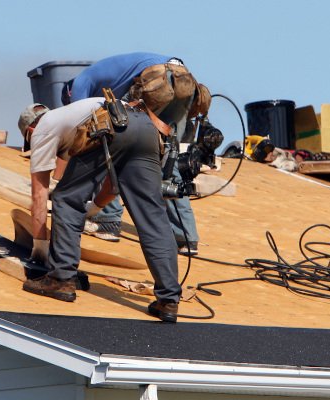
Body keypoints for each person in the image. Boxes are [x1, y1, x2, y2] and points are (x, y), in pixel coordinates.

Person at [17, 99, 182, 322]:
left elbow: (39, 194)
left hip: (107, 124)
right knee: (153, 216)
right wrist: (95, 208)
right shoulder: (70, 117)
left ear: (30, 129)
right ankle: (168, 301)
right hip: (145, 126)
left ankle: (61, 279)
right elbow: (114, 183)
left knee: (66, 198)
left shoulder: (43, 128)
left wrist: (40, 247)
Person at [63, 52, 202, 255]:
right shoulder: (110, 80)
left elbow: (78, 121)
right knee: (167, 157)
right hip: (184, 80)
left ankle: (107, 220)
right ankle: (185, 238)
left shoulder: (79, 84)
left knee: (110, 144)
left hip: (158, 79)